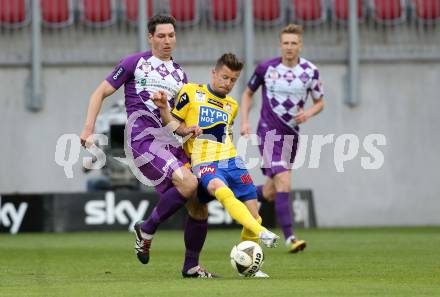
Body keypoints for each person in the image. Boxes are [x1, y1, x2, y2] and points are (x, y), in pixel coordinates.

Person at [80, 14, 216, 278]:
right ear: (150, 37)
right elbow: (99, 93)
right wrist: (88, 128)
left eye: (171, 35)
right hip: (143, 140)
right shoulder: (135, 63)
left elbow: (175, 121)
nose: (167, 41)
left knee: (199, 206)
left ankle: (191, 267)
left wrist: (189, 130)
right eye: (162, 35)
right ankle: (147, 228)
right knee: (187, 184)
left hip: (169, 142)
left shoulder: (180, 75)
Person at [152, 53, 280, 277]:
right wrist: (164, 110)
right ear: (214, 72)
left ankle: (249, 267)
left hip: (232, 160)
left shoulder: (232, 105)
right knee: (220, 191)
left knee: (254, 216)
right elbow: (172, 123)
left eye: (233, 79)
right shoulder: (191, 92)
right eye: (224, 77)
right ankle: (263, 233)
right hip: (205, 162)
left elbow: (226, 134)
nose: (228, 83)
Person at [240, 24, 324, 253]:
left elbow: (320, 102)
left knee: (271, 191)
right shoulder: (266, 68)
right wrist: (245, 121)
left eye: (293, 43)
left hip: (292, 135)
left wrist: (308, 113)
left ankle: (232, 193)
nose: (289, 47)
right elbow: (248, 93)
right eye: (285, 43)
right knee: (285, 181)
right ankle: (290, 238)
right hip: (268, 131)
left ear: (300, 45)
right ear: (280, 44)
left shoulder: (310, 71)